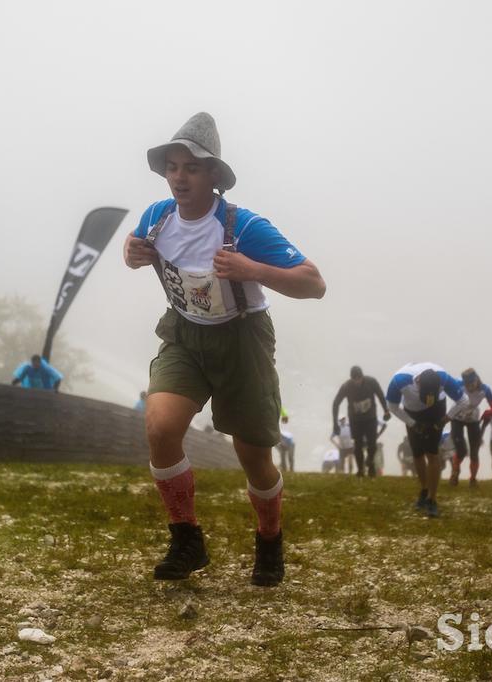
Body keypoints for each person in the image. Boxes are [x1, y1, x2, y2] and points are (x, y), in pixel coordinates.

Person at [124, 112, 325, 587]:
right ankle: (186, 537)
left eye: (191, 167)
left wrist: (252, 269)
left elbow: (314, 284)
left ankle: (269, 538)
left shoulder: (245, 226)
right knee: (160, 425)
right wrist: (131, 254)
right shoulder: (157, 217)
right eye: (172, 166)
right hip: (184, 336)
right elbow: (136, 250)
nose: (179, 176)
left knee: (253, 457)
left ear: (213, 176)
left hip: (242, 340)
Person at [386, 363, 470, 518]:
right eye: (424, 395)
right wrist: (412, 424)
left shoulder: (443, 377)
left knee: (431, 453)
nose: (427, 399)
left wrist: (445, 419)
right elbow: (392, 406)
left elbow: (463, 400)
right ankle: (424, 490)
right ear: (417, 383)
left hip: (435, 411)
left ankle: (432, 498)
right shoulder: (399, 380)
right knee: (417, 453)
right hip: (412, 413)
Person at [332, 366, 392, 478]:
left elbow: (380, 395)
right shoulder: (346, 386)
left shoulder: (371, 382)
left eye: (359, 378)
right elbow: (336, 403)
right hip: (355, 420)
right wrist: (335, 423)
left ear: (362, 377)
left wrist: (386, 411)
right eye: (355, 379)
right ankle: (360, 470)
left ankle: (371, 464)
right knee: (358, 444)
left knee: (372, 444)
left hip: (370, 418)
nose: (357, 382)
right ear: (351, 379)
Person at [448, 368, 492, 487]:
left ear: (477, 380)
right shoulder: (458, 384)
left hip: (473, 419)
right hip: (457, 417)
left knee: (474, 452)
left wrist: (489, 412)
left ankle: (473, 479)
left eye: (472, 384)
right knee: (461, 450)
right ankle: (454, 475)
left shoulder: (485, 389)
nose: (469, 387)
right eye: (467, 385)